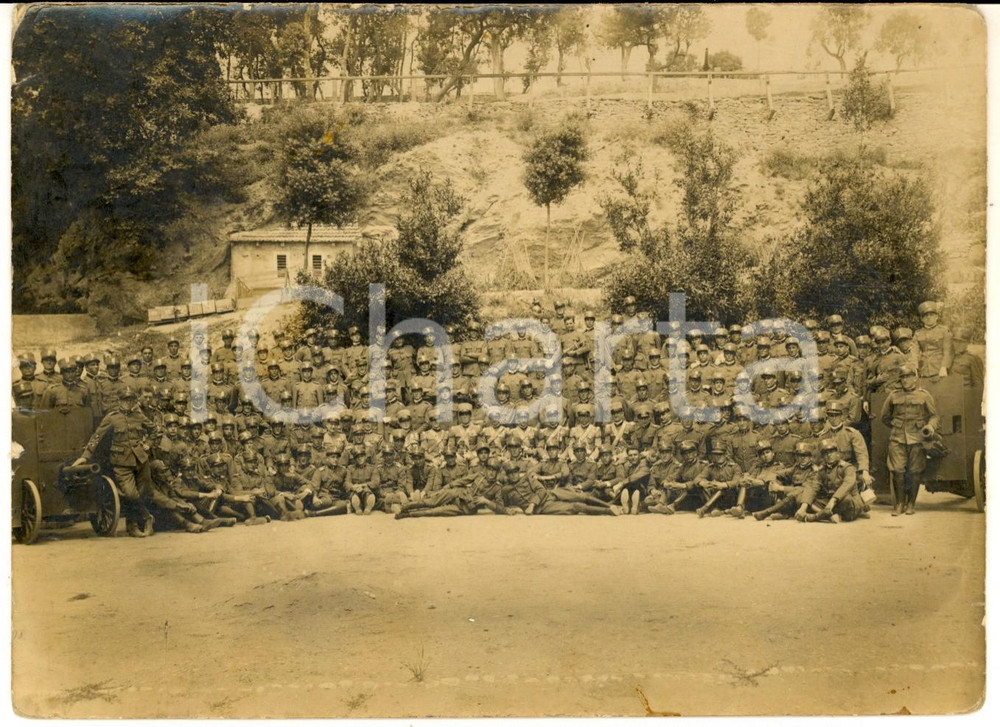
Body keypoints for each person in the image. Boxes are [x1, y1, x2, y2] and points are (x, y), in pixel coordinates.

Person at [72, 386, 156, 537]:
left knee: (143, 493)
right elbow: (97, 437)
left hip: (141, 459)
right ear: (119, 401)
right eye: (125, 400)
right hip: (121, 461)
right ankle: (147, 517)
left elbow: (155, 430)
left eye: (131, 400)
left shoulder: (139, 416)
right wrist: (85, 456)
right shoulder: (112, 417)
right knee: (131, 494)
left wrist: (148, 444)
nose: (128, 403)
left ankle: (132, 525)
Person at [878, 364, 939, 516]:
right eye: (903, 377)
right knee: (897, 470)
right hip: (897, 438)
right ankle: (899, 504)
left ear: (915, 378)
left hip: (917, 438)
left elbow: (934, 416)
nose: (905, 380)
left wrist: (930, 427)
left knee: (915, 471)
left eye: (908, 376)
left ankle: (911, 504)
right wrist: (896, 426)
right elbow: (884, 417)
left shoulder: (924, 395)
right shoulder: (893, 395)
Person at [795, 438, 864, 523]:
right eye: (825, 453)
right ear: (822, 456)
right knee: (803, 499)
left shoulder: (847, 468)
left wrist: (832, 501)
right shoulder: (822, 470)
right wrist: (803, 507)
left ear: (837, 452)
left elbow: (846, 485)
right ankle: (830, 515)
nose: (829, 455)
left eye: (831, 452)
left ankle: (817, 516)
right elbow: (813, 486)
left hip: (849, 504)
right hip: (831, 504)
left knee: (846, 499)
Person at [914, 301, 953, 380]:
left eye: (931, 315)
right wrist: (914, 367)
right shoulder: (918, 333)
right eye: (925, 315)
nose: (928, 317)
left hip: (939, 370)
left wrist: (944, 366)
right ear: (922, 319)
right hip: (923, 371)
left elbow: (948, 350)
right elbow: (914, 351)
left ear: (936, 316)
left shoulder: (944, 331)